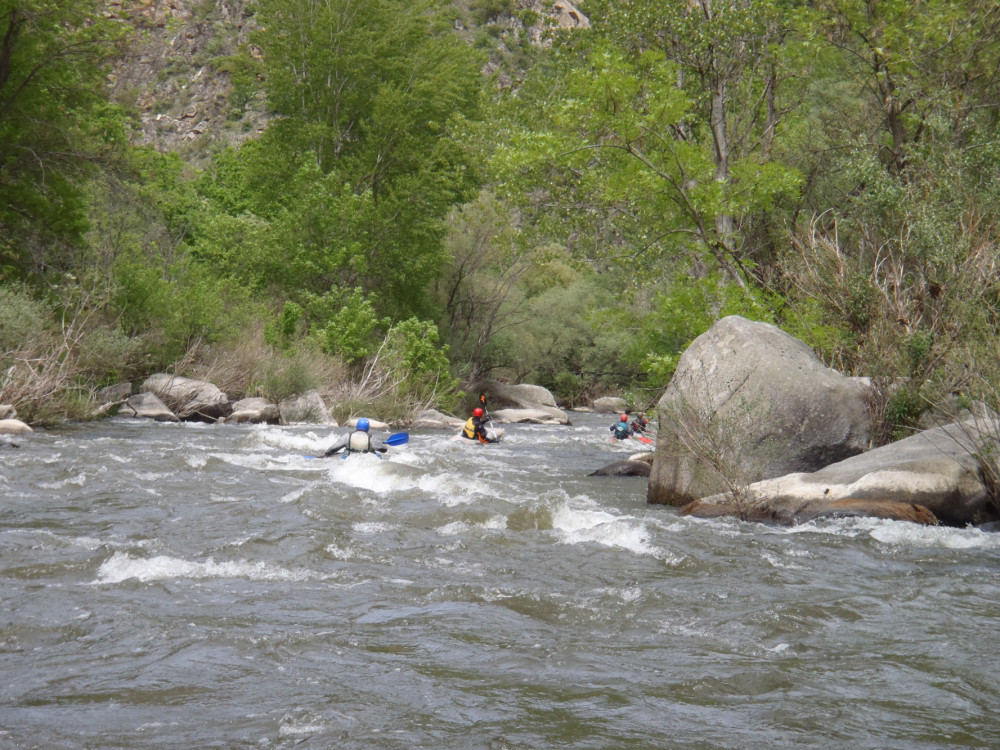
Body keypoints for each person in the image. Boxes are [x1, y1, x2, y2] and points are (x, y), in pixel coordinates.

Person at [323, 418, 387, 457]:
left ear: (357, 427)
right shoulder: (371, 438)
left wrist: (327, 454)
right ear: (368, 428)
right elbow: (384, 450)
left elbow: (335, 447)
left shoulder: (348, 435)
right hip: (365, 460)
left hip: (349, 460)